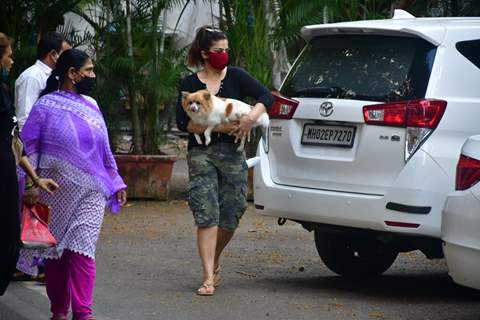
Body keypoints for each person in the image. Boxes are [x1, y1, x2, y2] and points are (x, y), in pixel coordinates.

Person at [17, 48, 127, 320]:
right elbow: (28, 147)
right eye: (89, 70)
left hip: (91, 192)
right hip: (54, 191)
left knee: (83, 250)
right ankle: (58, 312)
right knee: (57, 256)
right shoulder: (45, 106)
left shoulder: (92, 105)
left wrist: (116, 181)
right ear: (71, 74)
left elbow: (104, 149)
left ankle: (83, 313)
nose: (93, 75)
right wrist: (32, 185)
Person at [176, 26, 273, 296]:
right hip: (202, 153)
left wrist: (250, 118)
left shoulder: (238, 77)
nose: (224, 55)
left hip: (232, 155)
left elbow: (267, 97)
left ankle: (214, 257)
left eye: (227, 50)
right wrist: (221, 129)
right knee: (206, 212)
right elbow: (184, 123)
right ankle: (208, 276)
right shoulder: (189, 85)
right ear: (206, 53)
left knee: (232, 212)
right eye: (219, 51)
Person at [0, 32, 58, 296]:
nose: (12, 60)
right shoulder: (31, 78)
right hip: (10, 164)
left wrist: (35, 176)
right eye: (9, 55)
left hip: (13, 165)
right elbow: (23, 122)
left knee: (16, 230)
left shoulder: (5, 89)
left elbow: (14, 137)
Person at [15, 31, 71, 130]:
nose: (69, 59)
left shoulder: (58, 76)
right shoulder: (32, 77)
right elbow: (25, 119)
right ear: (53, 54)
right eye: (66, 54)